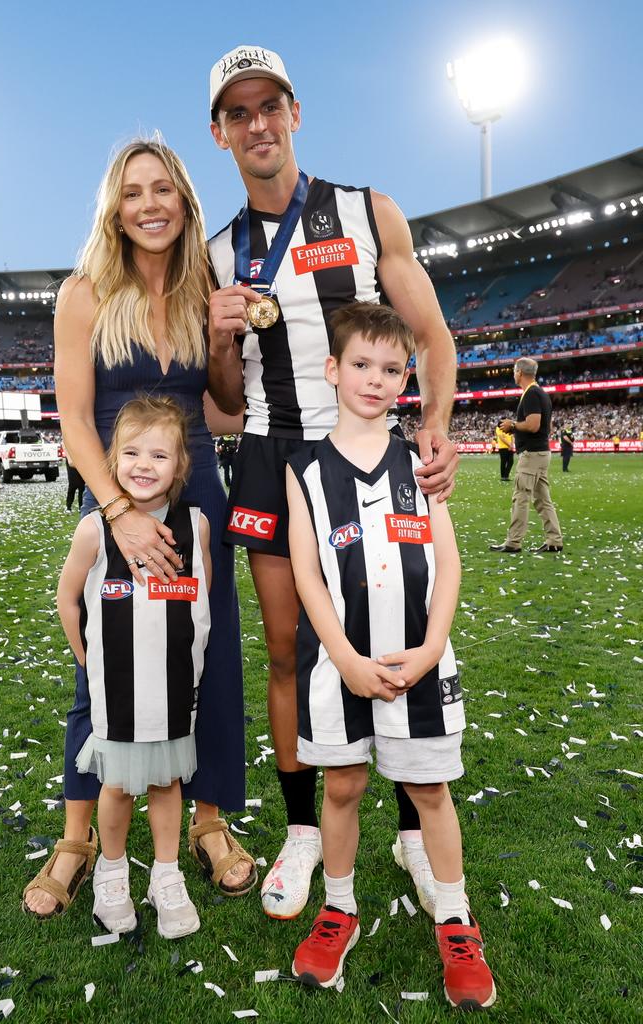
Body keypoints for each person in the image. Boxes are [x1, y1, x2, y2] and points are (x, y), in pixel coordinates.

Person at [207, 44, 459, 920]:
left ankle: (405, 823)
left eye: (270, 105)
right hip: (276, 457)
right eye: (239, 113)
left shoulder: (365, 210)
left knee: (388, 631)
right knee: (290, 651)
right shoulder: (217, 251)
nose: (258, 123)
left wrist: (432, 427)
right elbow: (226, 404)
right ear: (220, 133)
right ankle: (304, 829)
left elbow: (432, 337)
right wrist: (213, 335)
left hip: (370, 451)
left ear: (295, 113)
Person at [23, 139, 254, 920]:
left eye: (163, 189)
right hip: (118, 504)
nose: (150, 204)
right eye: (133, 193)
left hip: (197, 502)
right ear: (114, 209)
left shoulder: (204, 289)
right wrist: (115, 513)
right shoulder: (84, 293)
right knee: (105, 667)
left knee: (208, 659)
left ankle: (209, 822)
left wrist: (224, 341)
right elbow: (75, 419)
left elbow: (226, 408)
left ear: (185, 201)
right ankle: (78, 837)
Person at [286, 303, 495, 1008]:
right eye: (362, 365)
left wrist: (435, 645)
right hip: (337, 667)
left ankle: (457, 921)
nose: (376, 380)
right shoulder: (306, 468)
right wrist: (343, 656)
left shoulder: (421, 461)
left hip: (419, 665)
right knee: (341, 788)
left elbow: (450, 562)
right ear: (333, 370)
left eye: (392, 369)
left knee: (430, 791)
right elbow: (307, 573)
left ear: (406, 378)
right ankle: (339, 907)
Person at [49, 397, 211, 938]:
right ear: (112, 459)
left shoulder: (197, 526)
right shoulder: (95, 529)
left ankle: (167, 875)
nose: (143, 465)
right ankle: (112, 873)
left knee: (167, 783)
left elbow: (201, 605)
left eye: (159, 455)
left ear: (180, 466)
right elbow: (67, 599)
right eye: (131, 452)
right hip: (117, 692)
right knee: (116, 788)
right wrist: (86, 658)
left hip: (171, 690)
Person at [490, 357, 563, 554]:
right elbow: (546, 426)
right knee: (542, 499)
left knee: (521, 497)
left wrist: (512, 425)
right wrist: (517, 428)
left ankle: (514, 542)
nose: (514, 374)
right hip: (540, 452)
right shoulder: (541, 394)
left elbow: (533, 425)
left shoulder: (531, 394)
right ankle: (554, 539)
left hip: (531, 454)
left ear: (520, 372)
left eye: (514, 371)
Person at [64, 446, 85, 512]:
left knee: (82, 485)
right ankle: (68, 506)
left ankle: (81, 506)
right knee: (72, 485)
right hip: (72, 458)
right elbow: (64, 445)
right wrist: (69, 458)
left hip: (81, 459)